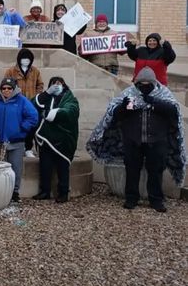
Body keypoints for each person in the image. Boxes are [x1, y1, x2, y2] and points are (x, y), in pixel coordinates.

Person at [87, 67, 186, 213]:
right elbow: (113, 113)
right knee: (132, 170)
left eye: (148, 83)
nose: (144, 86)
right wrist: (123, 107)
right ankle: (131, 198)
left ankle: (156, 200)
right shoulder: (128, 94)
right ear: (136, 82)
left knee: (156, 171)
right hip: (133, 139)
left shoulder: (163, 93)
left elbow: (174, 111)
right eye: (141, 83)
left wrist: (154, 102)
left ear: (154, 82)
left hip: (157, 140)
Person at [32, 76, 80, 203]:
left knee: (62, 167)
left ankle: (63, 193)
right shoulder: (47, 97)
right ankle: (44, 191)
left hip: (62, 139)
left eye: (59, 83)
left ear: (64, 85)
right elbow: (34, 104)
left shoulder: (70, 98)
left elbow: (71, 111)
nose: (56, 86)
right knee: (45, 166)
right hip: (46, 139)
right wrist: (47, 93)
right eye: (53, 84)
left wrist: (50, 114)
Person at [0, 77, 39, 203]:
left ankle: (14, 192)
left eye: (9, 88)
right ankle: (1, 191)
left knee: (15, 168)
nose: (6, 90)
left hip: (16, 141)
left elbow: (33, 116)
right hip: (0, 142)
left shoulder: (22, 100)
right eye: (3, 88)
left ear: (13, 89)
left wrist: (22, 128)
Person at [4, 49, 44, 155]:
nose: (26, 61)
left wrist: (36, 96)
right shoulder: (11, 71)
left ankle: (28, 148)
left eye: (28, 59)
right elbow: (6, 86)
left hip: (31, 103)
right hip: (16, 103)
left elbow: (40, 85)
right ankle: (18, 147)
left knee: (30, 125)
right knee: (17, 125)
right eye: (23, 59)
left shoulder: (35, 71)